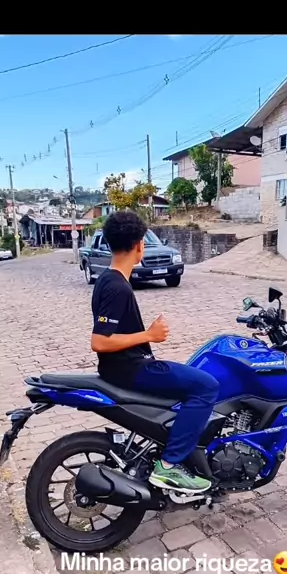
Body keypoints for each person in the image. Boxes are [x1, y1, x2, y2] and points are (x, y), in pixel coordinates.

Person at [90, 211, 219, 494]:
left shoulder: (107, 279)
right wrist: (149, 335)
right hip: (131, 370)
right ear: (139, 245)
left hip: (122, 367)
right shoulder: (117, 287)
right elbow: (99, 341)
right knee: (207, 386)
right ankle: (170, 465)